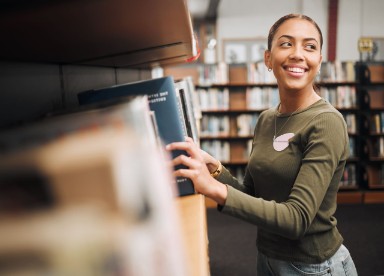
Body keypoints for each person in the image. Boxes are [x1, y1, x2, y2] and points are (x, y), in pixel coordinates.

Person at [166, 13, 358, 275]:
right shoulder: (267, 119)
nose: (298, 54)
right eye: (286, 43)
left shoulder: (326, 122)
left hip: (314, 266)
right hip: (268, 259)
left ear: (319, 61)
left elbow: (297, 219)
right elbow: (255, 197)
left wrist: (212, 188)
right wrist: (215, 170)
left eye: (310, 46)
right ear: (268, 58)